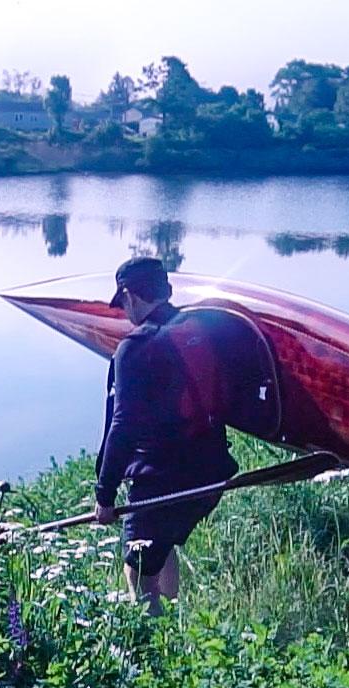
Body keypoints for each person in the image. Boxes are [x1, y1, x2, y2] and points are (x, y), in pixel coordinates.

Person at [94, 256, 239, 614]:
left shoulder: (135, 347)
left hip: (162, 482)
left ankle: (156, 658)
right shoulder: (197, 326)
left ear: (129, 295)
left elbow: (123, 425)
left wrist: (105, 493)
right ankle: (173, 625)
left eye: (123, 302)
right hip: (211, 473)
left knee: (138, 572)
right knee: (163, 544)